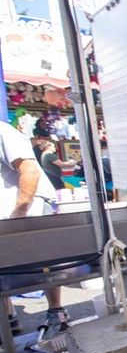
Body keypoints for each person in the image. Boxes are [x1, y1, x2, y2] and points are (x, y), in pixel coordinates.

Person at [0, 121, 68, 336]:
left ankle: (56, 311)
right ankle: (8, 318)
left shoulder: (2, 131)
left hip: (28, 211)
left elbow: (30, 170)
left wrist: (20, 210)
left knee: (46, 266)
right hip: (10, 216)